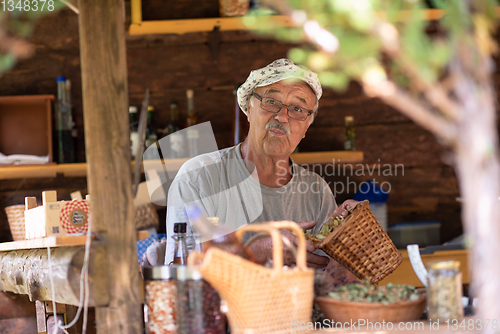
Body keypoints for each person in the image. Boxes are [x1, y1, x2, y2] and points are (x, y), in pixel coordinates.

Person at [165, 58, 357, 273]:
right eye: (271, 102)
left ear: (305, 129)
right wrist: (259, 251)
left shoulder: (317, 191)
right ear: (249, 108)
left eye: (297, 108)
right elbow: (180, 273)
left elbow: (332, 278)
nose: (282, 116)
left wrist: (344, 240)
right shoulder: (199, 176)